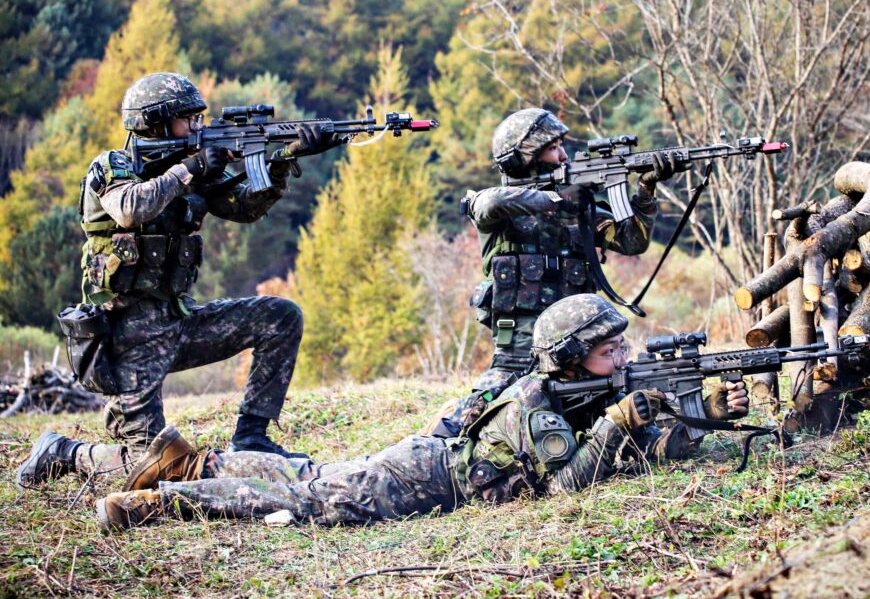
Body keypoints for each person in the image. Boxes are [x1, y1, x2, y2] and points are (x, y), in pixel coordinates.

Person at [94, 294, 748, 531]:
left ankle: (194, 461)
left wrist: (703, 416)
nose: (623, 358)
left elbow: (631, 453)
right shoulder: (538, 406)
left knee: (314, 474)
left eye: (622, 347)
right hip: (419, 480)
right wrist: (618, 422)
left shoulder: (576, 388)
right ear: (574, 360)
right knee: (306, 501)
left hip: (427, 458)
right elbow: (566, 485)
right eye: (610, 352)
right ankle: (163, 500)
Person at [18, 72, 328, 491]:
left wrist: (285, 159)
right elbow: (131, 208)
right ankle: (65, 452)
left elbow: (243, 208)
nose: (197, 126)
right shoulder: (113, 167)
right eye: (188, 120)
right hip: (130, 341)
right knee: (153, 466)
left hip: (179, 323)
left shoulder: (192, 168)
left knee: (280, 316)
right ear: (155, 123)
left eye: (199, 119)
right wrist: (189, 169)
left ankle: (252, 436)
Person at [429, 108, 686, 437]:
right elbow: (487, 203)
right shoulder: (498, 210)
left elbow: (632, 241)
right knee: (479, 416)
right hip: (520, 350)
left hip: (579, 348)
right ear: (523, 158)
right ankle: (436, 441)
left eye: (562, 146)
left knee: (619, 408)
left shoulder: (579, 210)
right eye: (553, 148)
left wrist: (646, 190)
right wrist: (555, 199)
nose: (564, 155)